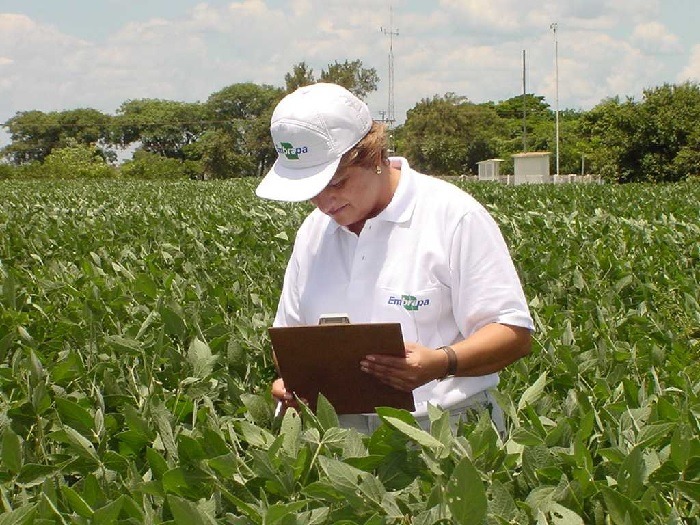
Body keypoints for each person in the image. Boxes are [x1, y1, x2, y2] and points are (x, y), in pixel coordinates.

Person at [256, 83, 533, 435]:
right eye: (311, 192)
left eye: (337, 184)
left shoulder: (452, 216)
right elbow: (288, 338)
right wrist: (296, 382)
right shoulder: (314, 232)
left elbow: (513, 334)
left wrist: (441, 363)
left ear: (374, 156)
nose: (325, 203)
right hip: (338, 437)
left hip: (446, 429)